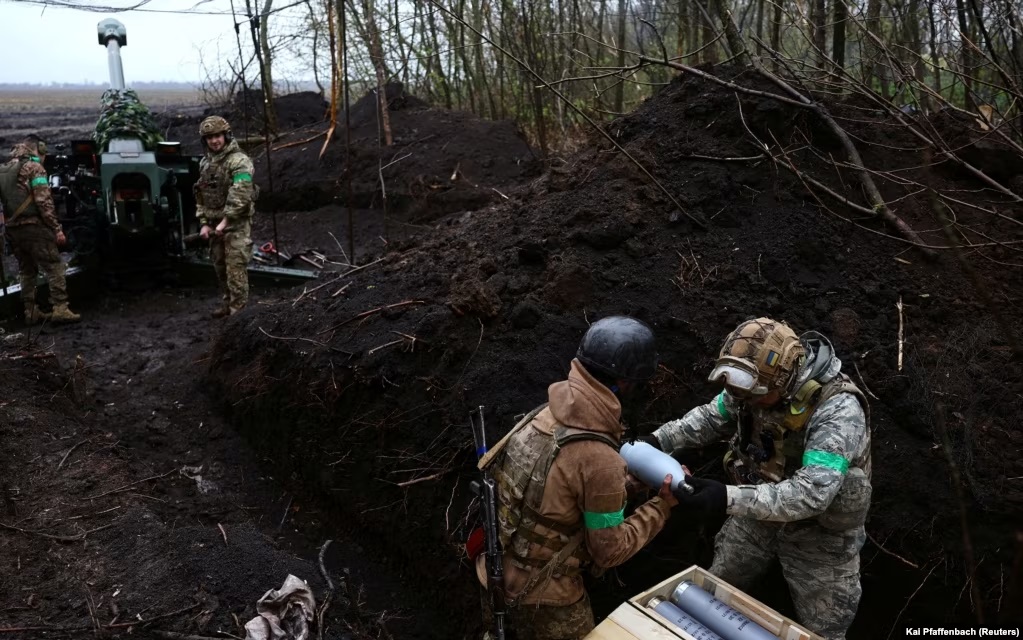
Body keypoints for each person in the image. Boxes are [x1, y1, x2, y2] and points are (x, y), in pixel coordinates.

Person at [642, 317, 871, 640]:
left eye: (754, 394)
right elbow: (712, 416)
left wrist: (726, 497)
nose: (744, 399)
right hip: (757, 513)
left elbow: (812, 493)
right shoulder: (750, 387)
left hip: (820, 534)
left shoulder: (838, 409)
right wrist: (657, 441)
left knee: (826, 628)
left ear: (785, 379)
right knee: (710, 592)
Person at [475, 316, 677, 640]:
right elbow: (608, 552)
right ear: (624, 383)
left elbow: (552, 494)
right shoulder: (600, 461)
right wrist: (662, 507)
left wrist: (626, 487)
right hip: (547, 599)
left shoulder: (544, 414)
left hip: (493, 576)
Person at [0, 135, 80, 325]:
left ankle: (31, 311)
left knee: (27, 270)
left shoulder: (4, 169)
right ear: (38, 150)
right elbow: (44, 202)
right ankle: (60, 308)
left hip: (13, 230)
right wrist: (56, 228)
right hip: (34, 227)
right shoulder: (35, 168)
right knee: (54, 266)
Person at [194, 116, 256, 318]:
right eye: (209, 137)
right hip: (214, 225)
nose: (214, 141)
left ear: (226, 135)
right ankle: (227, 304)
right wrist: (204, 223)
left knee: (235, 270)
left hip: (235, 225)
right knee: (220, 268)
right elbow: (201, 195)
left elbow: (241, 193)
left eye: (218, 136)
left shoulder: (239, 161)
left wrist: (225, 222)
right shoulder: (205, 163)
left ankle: (238, 315)